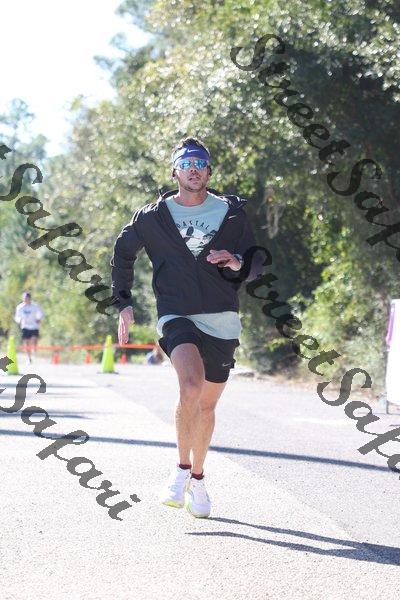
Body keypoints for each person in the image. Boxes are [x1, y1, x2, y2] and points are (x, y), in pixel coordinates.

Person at [111, 137, 263, 518]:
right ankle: (181, 470)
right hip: (176, 312)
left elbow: (256, 262)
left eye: (200, 163)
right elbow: (123, 253)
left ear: (209, 171)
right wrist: (124, 303)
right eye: (186, 163)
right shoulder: (153, 217)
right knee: (191, 385)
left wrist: (236, 262)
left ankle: (198, 478)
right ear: (174, 171)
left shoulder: (231, 213)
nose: (193, 169)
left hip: (222, 318)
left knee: (206, 407)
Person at [14, 292, 44, 363]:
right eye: (24, 298)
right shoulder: (20, 307)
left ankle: (34, 351)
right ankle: (29, 358)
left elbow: (41, 313)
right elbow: (16, 317)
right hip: (25, 326)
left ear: (30, 298)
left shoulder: (35, 306)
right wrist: (20, 320)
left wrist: (39, 319)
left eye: (27, 298)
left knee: (34, 339)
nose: (25, 300)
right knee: (26, 342)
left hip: (34, 326)